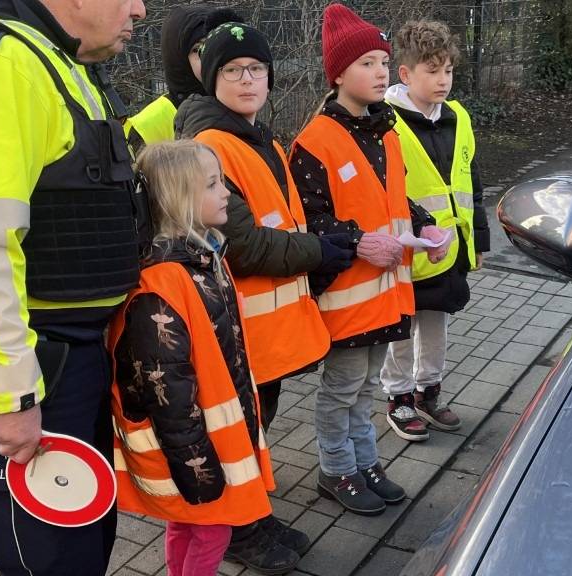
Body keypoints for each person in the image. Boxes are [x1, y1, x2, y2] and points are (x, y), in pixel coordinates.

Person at [0, 0, 145, 572]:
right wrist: (10, 394)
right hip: (35, 361)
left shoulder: (55, 62)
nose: (140, 9)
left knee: (82, 544)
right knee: (50, 556)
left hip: (69, 355)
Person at [175, 20, 355, 571]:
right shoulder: (211, 145)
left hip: (261, 331)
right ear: (212, 80)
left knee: (253, 429)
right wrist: (318, 250)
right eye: (232, 70)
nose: (247, 79)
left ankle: (250, 515)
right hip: (234, 329)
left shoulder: (262, 139)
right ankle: (235, 530)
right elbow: (245, 246)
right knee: (233, 434)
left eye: (256, 68)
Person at [290, 2, 448, 516]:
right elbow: (306, 219)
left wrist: (425, 223)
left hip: (386, 295)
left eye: (383, 62)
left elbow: (394, 199)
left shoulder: (386, 132)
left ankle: (366, 462)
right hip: (346, 298)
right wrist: (358, 241)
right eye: (367, 63)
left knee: (363, 391)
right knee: (341, 390)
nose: (381, 72)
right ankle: (336, 469)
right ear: (338, 74)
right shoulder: (315, 142)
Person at [108, 140, 274, 576]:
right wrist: (195, 467)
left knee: (187, 524)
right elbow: (168, 389)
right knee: (214, 530)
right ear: (179, 198)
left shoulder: (202, 260)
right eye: (213, 184)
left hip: (203, 445)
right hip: (192, 452)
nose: (226, 193)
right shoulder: (164, 281)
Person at [379, 19, 490, 441]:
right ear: (406, 74)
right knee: (401, 327)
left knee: (436, 325)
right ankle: (398, 397)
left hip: (449, 248)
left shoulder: (458, 117)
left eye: (448, 70)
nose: (443, 80)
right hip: (407, 247)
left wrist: (478, 240)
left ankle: (429, 392)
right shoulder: (386, 121)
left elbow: (471, 182)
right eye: (432, 70)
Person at [122, 5, 239, 154]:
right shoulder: (148, 126)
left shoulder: (237, 103)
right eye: (197, 50)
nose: (209, 58)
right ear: (178, 58)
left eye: (214, 47)